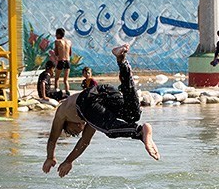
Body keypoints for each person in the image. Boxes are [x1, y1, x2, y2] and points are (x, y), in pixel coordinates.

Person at [42, 44, 159, 178]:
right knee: (132, 114)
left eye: (72, 131)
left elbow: (52, 139)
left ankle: (140, 131)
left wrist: (50, 157)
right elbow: (84, 141)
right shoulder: (92, 118)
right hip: (104, 91)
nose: (78, 131)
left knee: (109, 129)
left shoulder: (62, 112)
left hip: (87, 99)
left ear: (67, 124)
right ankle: (122, 61)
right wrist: (69, 161)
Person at [53, 28, 72, 95]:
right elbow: (70, 53)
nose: (55, 35)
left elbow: (56, 53)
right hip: (67, 61)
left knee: (57, 78)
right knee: (65, 80)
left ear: (58, 34)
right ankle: (67, 92)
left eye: (56, 34)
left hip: (61, 61)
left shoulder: (57, 41)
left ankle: (56, 91)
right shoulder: (69, 41)